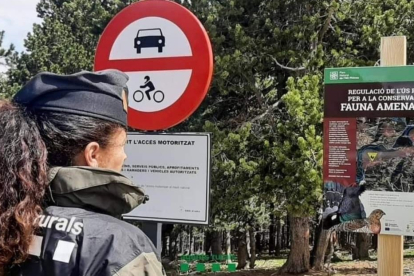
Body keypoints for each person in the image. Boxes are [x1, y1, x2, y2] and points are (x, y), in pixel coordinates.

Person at [0, 70, 165, 276]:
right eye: (122, 145)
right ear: (93, 154)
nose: (125, 157)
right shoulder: (120, 248)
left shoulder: (10, 219)